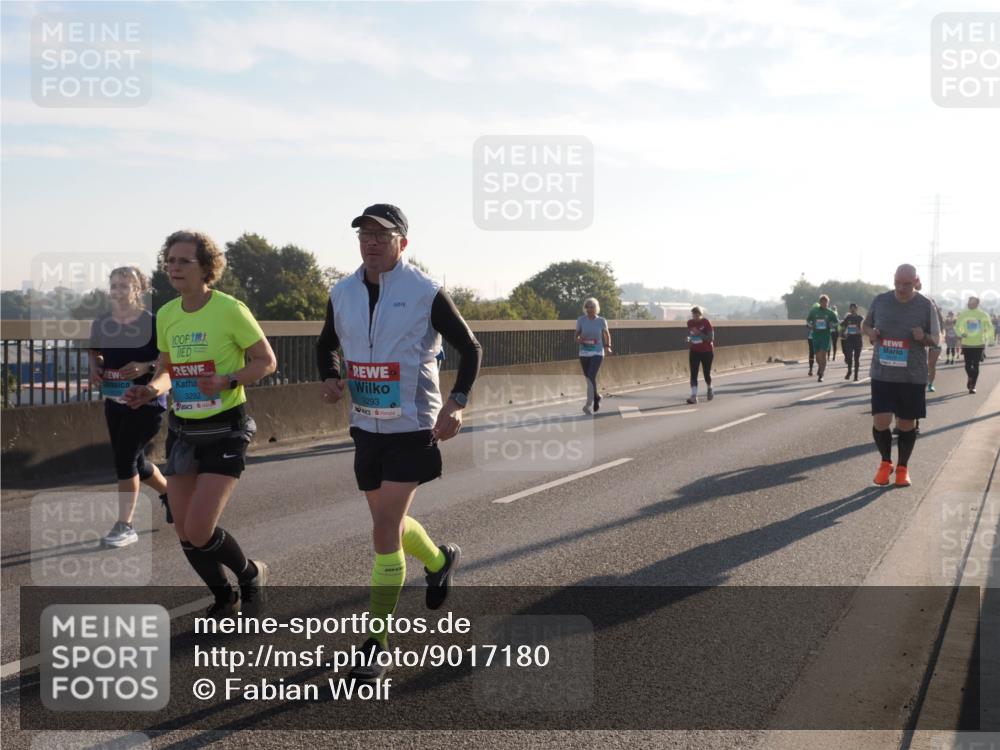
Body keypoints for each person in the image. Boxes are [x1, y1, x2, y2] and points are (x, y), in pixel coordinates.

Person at [316, 204, 482, 681]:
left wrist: (457, 402)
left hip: (413, 424)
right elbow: (326, 342)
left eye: (382, 236)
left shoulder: (425, 291)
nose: (371, 242)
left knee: (384, 530)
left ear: (402, 244)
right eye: (364, 234)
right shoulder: (342, 292)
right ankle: (438, 558)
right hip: (366, 425)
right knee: (387, 522)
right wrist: (329, 376)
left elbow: (469, 348)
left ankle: (377, 642)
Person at [124, 230, 276, 618]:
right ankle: (224, 595)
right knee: (183, 531)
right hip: (184, 431)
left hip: (225, 428)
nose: (174, 267)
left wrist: (228, 380)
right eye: (170, 260)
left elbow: (266, 361)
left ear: (206, 268)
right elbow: (168, 369)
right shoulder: (169, 315)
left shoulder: (230, 309)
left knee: (200, 529)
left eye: (183, 261)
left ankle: (249, 574)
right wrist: (150, 389)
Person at [88, 267, 169, 547]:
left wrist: (144, 367)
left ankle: (125, 526)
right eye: (114, 285)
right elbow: (94, 350)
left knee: (124, 461)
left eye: (125, 285)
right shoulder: (102, 322)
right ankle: (170, 494)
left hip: (146, 402)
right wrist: (94, 368)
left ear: (139, 289)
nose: (118, 290)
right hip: (115, 402)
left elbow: (166, 360)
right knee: (136, 462)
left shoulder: (154, 322)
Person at [862, 264, 939, 487]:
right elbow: (865, 324)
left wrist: (923, 336)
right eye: (898, 283)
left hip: (912, 375)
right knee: (881, 422)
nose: (901, 288)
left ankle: (903, 468)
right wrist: (871, 332)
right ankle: (885, 463)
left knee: (906, 425)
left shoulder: (925, 305)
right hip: (882, 373)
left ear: (916, 281)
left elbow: (936, 338)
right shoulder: (881, 301)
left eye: (907, 284)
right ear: (893, 280)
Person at [576, 298, 612, 413]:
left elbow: (607, 334)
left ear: (596, 308)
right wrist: (579, 339)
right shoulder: (581, 320)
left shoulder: (601, 320)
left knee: (591, 376)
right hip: (584, 352)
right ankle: (597, 397)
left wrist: (608, 346)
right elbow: (576, 336)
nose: (590, 309)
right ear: (585, 308)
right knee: (588, 379)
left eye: (592, 307)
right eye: (587, 307)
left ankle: (588, 403)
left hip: (597, 352)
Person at [955, 296, 995, 394]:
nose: (969, 304)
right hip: (967, 343)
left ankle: (972, 386)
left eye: (971, 302)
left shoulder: (983, 315)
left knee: (976, 365)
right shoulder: (964, 314)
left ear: (977, 303)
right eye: (968, 302)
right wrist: (961, 334)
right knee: (968, 365)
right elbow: (957, 327)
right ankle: (970, 377)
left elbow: (989, 328)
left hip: (979, 343)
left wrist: (990, 339)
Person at [915, 279, 944, 393]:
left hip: (934, 339)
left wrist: (939, 337)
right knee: (921, 363)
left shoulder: (935, 311)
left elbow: (940, 325)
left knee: (931, 364)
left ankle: (930, 384)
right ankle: (919, 382)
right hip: (920, 339)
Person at [806, 295, 839, 383]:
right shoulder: (814, 311)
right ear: (820, 302)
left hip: (825, 336)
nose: (824, 303)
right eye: (823, 302)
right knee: (817, 357)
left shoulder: (830, 312)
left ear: (828, 303)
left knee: (823, 355)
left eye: (826, 302)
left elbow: (837, 322)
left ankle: (821, 374)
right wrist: (811, 325)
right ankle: (820, 367)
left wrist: (832, 325)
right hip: (816, 336)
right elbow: (808, 321)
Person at [685, 306, 714, 404]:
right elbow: (691, 334)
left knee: (706, 373)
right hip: (694, 351)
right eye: (694, 315)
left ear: (701, 315)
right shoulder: (690, 323)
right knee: (693, 374)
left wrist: (699, 333)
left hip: (707, 351)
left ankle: (709, 387)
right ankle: (694, 396)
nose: (695, 317)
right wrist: (689, 339)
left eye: (697, 315)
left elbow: (710, 338)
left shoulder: (706, 323)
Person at [839, 303, 864, 381]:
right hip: (849, 339)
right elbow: (842, 325)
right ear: (849, 309)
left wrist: (861, 331)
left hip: (858, 340)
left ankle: (856, 376)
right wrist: (842, 332)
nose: (853, 309)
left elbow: (865, 327)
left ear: (856, 309)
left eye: (854, 308)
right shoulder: (848, 318)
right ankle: (849, 371)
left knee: (856, 358)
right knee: (849, 357)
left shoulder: (860, 318)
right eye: (851, 308)